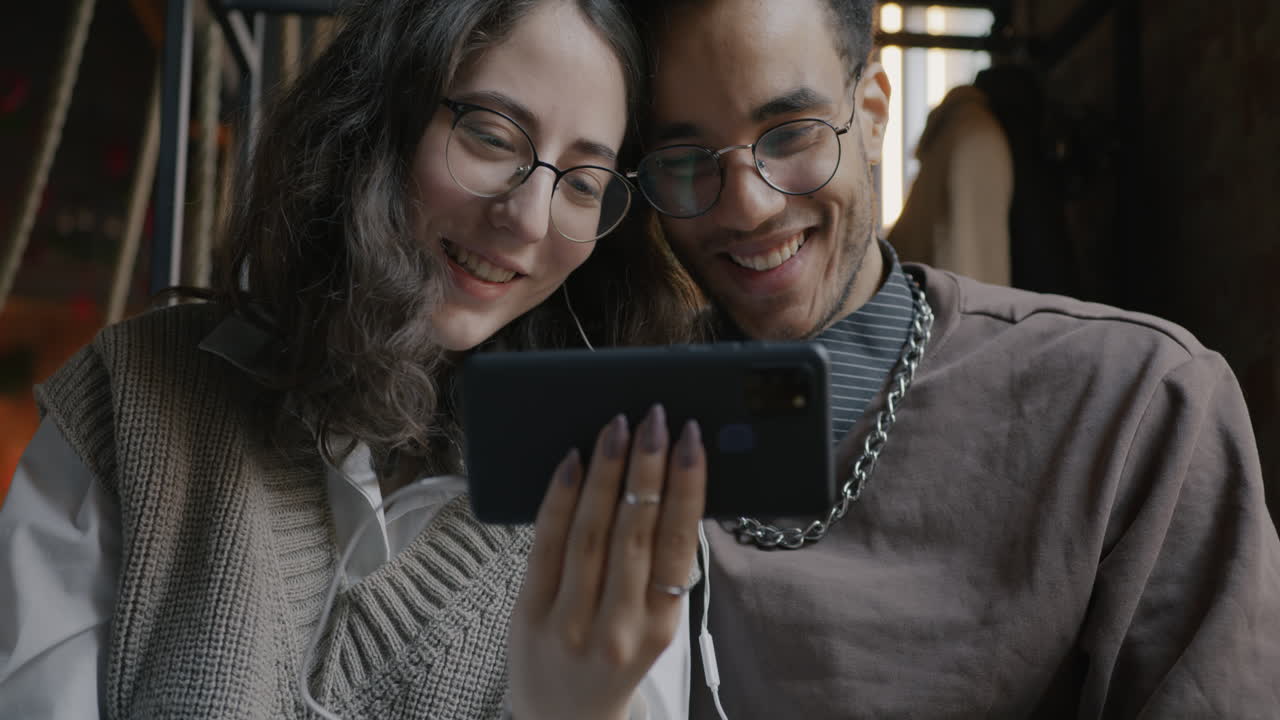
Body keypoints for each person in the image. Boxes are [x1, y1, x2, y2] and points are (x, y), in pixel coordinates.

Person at [554, 0, 1280, 716]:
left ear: (872, 112)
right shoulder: (598, 428)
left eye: (790, 133)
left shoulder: (1137, 401)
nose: (747, 207)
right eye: (685, 160)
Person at [0, 0, 707, 717]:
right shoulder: (136, 394)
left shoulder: (613, 496)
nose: (527, 216)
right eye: (493, 137)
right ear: (377, 119)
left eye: (584, 183)